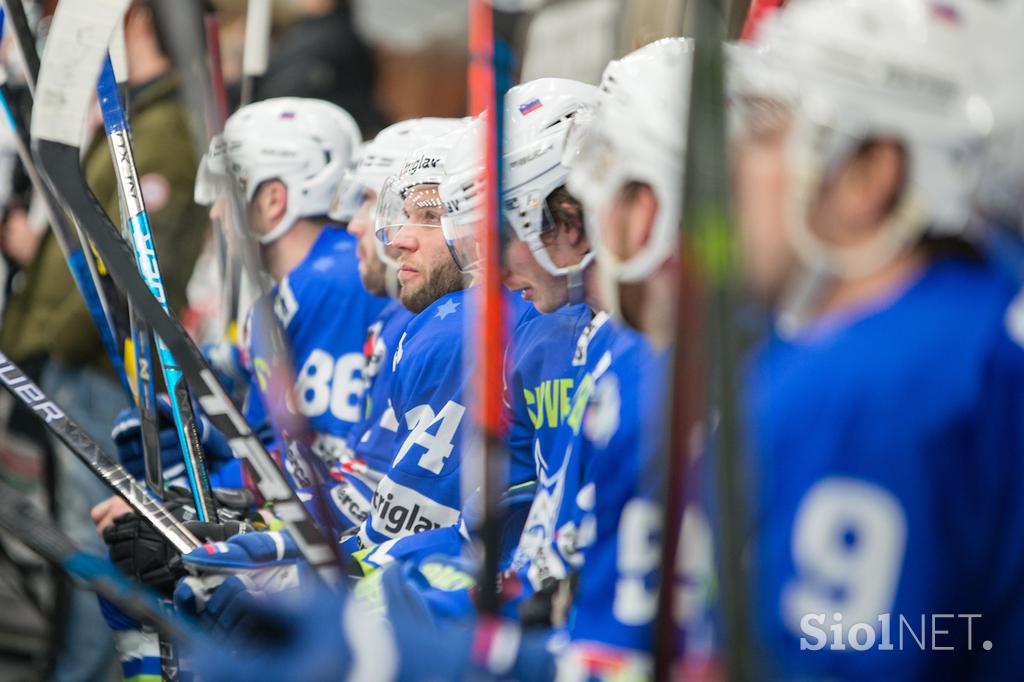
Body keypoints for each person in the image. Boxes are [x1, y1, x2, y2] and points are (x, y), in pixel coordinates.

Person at [729, 0, 1024, 677]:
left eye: (769, 134)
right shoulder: (972, 326)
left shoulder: (869, 386)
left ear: (869, 174)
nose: (739, 165)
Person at [0, 2, 207, 678]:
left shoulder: (167, 125)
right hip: (70, 363)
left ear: (136, 16)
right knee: (70, 547)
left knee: (104, 551)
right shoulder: (134, 111)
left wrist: (53, 333)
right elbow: (84, 244)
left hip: (103, 372)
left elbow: (141, 274)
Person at [324, 117, 465, 528]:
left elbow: (389, 502)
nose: (355, 223)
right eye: (392, 211)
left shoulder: (446, 327)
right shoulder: (406, 316)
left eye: (428, 215)